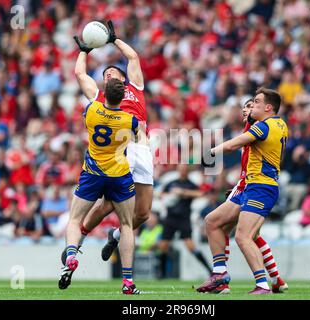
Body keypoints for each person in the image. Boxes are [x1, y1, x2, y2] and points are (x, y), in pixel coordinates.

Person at [65, 20, 153, 263]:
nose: (108, 74)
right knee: (106, 206)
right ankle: (79, 238)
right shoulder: (99, 97)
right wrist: (84, 52)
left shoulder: (135, 86)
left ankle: (114, 236)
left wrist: (114, 39)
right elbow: (79, 74)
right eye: (105, 74)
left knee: (144, 213)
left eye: (112, 71)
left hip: (142, 149)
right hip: (118, 152)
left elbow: (133, 57)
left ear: (123, 77)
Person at [196, 98, 287, 294]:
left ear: (267, 107)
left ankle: (262, 284)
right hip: (248, 185)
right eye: (247, 106)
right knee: (213, 222)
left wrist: (211, 151)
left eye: (252, 104)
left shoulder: (261, 127)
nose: (248, 109)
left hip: (260, 186)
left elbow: (232, 146)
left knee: (245, 235)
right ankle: (220, 275)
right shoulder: (272, 124)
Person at [58, 78, 140, 295]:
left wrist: (84, 52)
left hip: (93, 173)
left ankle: (72, 255)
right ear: (123, 97)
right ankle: (128, 282)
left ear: (104, 94)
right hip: (119, 175)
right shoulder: (129, 120)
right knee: (126, 226)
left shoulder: (92, 109)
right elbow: (136, 138)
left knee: (75, 220)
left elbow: (82, 80)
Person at [158, 164, 211, 278]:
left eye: (184, 169)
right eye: (181, 169)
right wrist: (171, 196)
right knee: (163, 246)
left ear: (187, 171)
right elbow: (161, 194)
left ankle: (209, 270)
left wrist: (182, 193)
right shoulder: (172, 183)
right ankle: (162, 275)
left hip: (184, 218)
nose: (182, 171)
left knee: (190, 245)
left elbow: (200, 193)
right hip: (170, 218)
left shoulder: (190, 185)